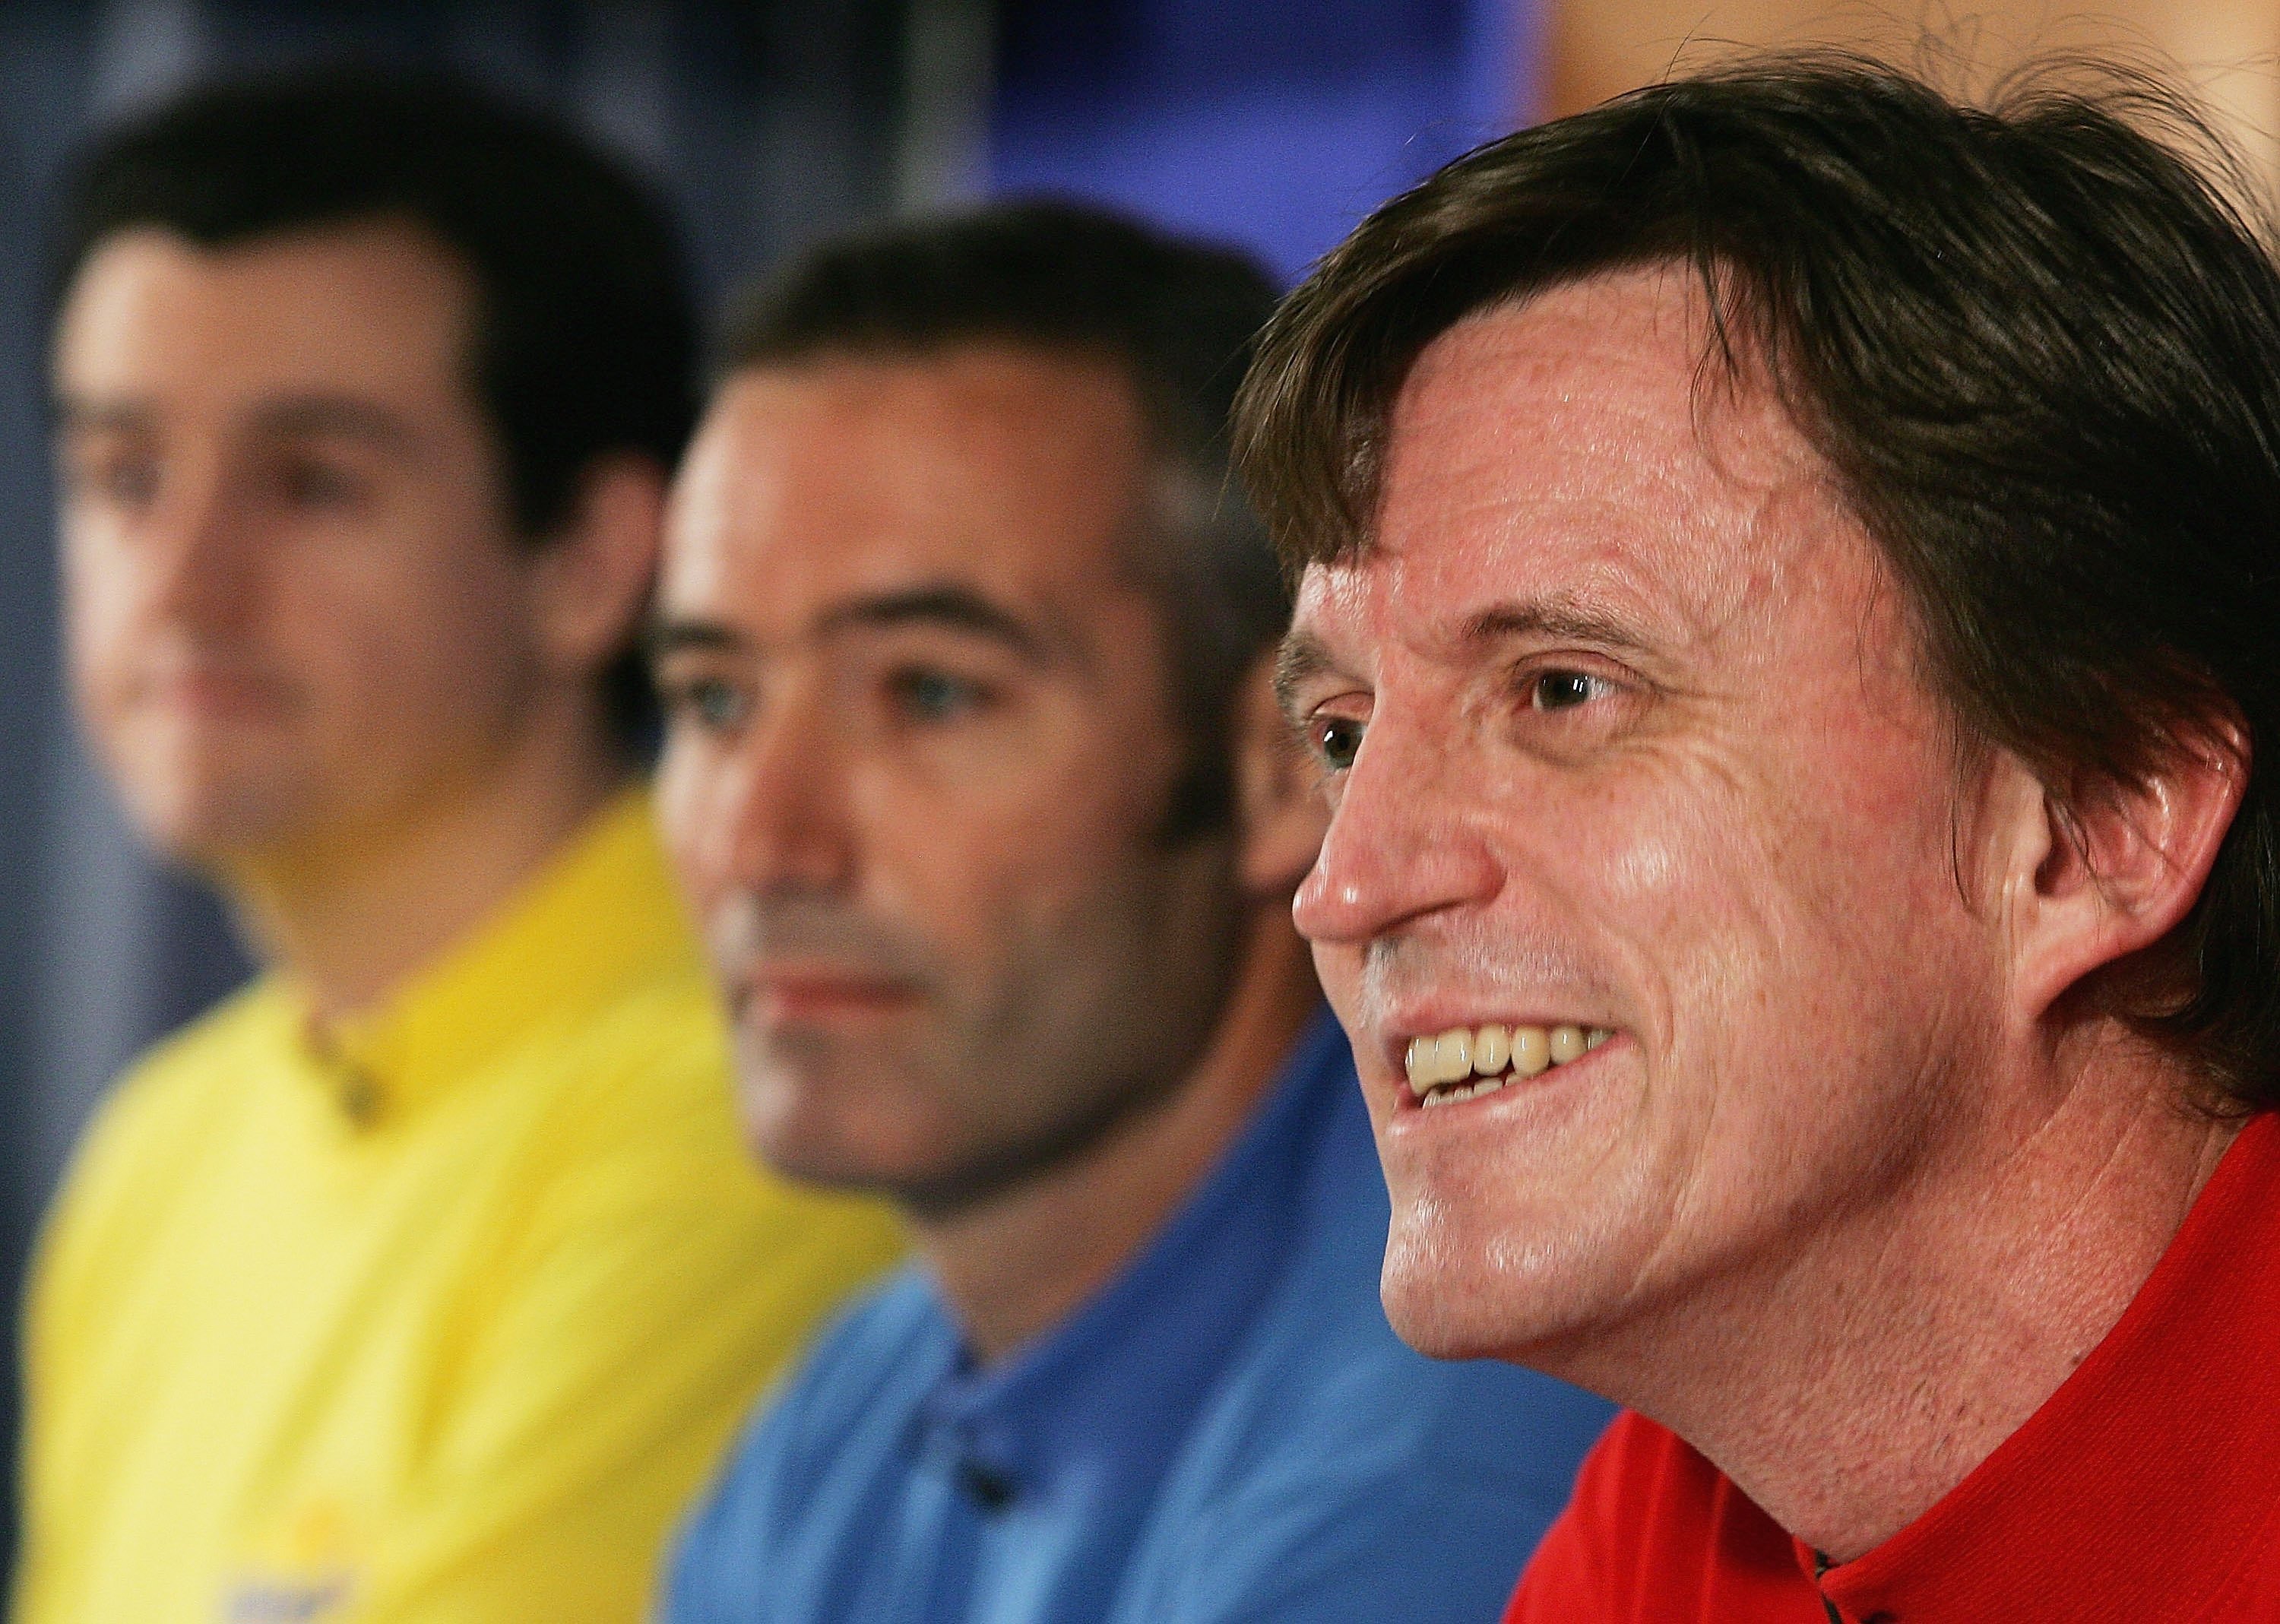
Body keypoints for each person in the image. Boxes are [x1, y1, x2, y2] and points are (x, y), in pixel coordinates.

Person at [1233, 52, 2280, 1624]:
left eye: (1564, 689)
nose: (1346, 884)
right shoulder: (1688, 1519)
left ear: (2097, 820)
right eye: (1342, 734)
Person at [18, 68, 902, 1624]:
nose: (182, 580)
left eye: (311, 481)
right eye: (125, 476)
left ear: (589, 558)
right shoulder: (160, 1145)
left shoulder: (764, 1098)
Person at [650, 201, 1613, 1624]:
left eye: (929, 692)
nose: (767, 842)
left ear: (1287, 768)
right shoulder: (843, 1422)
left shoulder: (1441, 1460)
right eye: (716, 701)